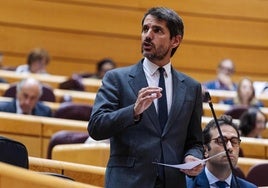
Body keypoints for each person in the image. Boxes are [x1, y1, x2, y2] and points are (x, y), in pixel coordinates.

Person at [88, 7, 204, 188]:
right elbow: (96, 127)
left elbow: (195, 141)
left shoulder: (191, 87)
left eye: (157, 30)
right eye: (145, 29)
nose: (148, 35)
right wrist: (133, 111)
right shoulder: (117, 79)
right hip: (128, 182)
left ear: (175, 40)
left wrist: (193, 156)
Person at [187, 115, 257, 188]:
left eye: (234, 142)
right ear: (205, 150)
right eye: (221, 141)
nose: (230, 147)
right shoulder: (184, 185)